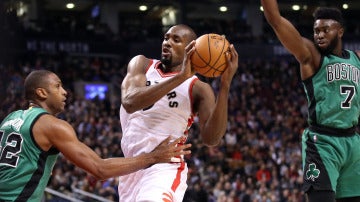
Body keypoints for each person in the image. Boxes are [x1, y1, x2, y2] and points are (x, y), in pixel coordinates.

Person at [0, 70, 191, 202]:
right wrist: (153, 157)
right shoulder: (51, 125)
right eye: (58, 86)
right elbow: (100, 169)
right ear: (41, 92)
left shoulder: (10, 118)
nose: (65, 92)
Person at [118, 24, 239, 201]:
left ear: (191, 49)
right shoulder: (142, 64)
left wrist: (225, 85)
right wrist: (180, 77)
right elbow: (129, 102)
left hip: (164, 169)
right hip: (130, 168)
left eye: (176, 40)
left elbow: (211, 139)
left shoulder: (198, 89)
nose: (167, 43)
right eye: (166, 38)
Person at [260, 1, 360, 201]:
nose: (319, 35)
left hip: (353, 143)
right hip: (323, 142)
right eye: (316, 31)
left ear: (340, 31)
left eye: (326, 30)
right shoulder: (311, 55)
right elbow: (275, 20)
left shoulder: (355, 59)